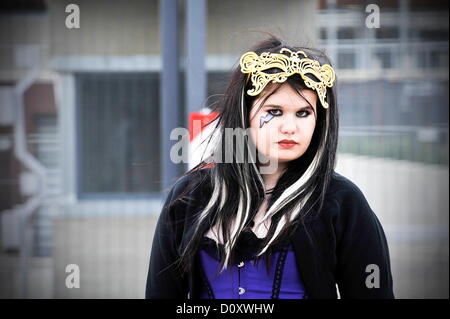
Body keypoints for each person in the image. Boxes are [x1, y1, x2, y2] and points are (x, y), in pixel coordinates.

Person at [145, 36, 394, 299]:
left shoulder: (341, 201)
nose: (290, 127)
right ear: (244, 114)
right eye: (274, 111)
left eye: (303, 113)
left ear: (318, 121)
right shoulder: (190, 197)